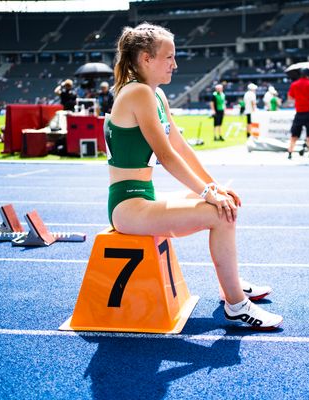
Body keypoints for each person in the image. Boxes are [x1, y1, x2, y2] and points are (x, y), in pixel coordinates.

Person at [105, 22, 282, 330]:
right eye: (169, 57)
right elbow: (166, 156)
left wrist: (213, 186)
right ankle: (236, 304)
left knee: (222, 202)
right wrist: (206, 193)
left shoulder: (155, 95)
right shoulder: (137, 94)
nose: (175, 64)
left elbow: (180, 146)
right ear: (146, 59)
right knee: (221, 213)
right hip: (128, 207)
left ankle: (232, 284)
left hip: (141, 200)